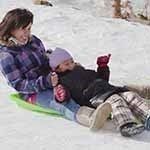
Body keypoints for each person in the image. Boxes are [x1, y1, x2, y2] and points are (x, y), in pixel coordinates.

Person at [0, 8, 112, 131]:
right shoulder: (6, 56)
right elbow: (18, 84)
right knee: (60, 101)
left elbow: (45, 56)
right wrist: (45, 82)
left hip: (53, 78)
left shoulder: (34, 41)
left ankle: (114, 96)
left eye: (29, 29)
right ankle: (90, 117)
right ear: (11, 29)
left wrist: (63, 62)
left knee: (82, 82)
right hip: (33, 92)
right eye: (23, 29)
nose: (27, 33)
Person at [48, 47, 150, 137]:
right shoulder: (61, 80)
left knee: (131, 95)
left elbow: (102, 79)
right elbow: (63, 97)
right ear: (57, 68)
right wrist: (61, 95)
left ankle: (147, 117)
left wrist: (102, 67)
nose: (71, 65)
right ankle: (126, 125)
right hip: (94, 97)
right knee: (116, 101)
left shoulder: (82, 70)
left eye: (72, 61)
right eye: (66, 64)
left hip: (108, 89)